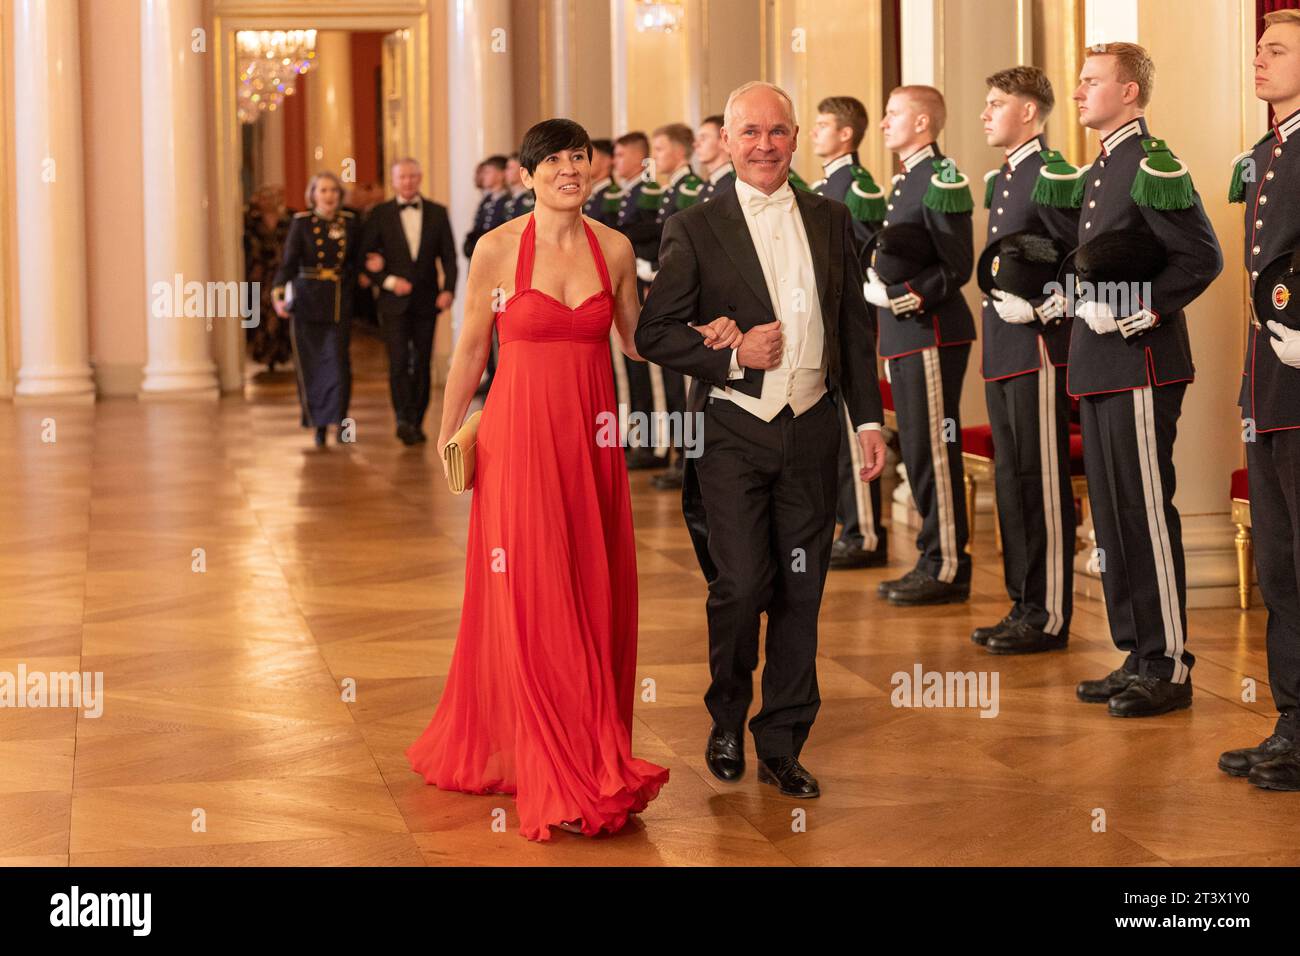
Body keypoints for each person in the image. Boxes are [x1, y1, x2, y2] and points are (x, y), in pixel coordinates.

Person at [407, 119, 733, 840]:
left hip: (591, 444)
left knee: (588, 589)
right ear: (529, 174)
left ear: (591, 170)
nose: (568, 168)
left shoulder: (612, 246)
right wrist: (447, 429)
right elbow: (468, 352)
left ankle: (586, 746)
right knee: (531, 590)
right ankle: (550, 759)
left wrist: (706, 334)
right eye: (553, 159)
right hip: (516, 441)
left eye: (578, 158)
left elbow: (636, 339)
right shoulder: (495, 249)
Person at [637, 81, 886, 799]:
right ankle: (725, 717)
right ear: (726, 142)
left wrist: (867, 420)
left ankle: (782, 742)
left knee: (801, 592)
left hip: (811, 431)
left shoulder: (832, 218)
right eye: (750, 133)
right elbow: (655, 332)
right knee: (742, 586)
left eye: (777, 132)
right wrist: (734, 352)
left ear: (796, 138)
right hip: (732, 432)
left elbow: (852, 330)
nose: (765, 145)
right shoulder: (694, 224)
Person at [1066, 42, 1222, 717]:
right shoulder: (1101, 168)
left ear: (1130, 92)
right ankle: (1136, 652)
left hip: (1140, 361)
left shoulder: (1153, 163)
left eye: (1092, 81)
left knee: (1145, 511)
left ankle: (1171, 663)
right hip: (1100, 362)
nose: (1078, 92)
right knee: (1112, 513)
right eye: (1077, 81)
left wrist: (1135, 309)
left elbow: (1201, 257)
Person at [970, 66, 1081, 655]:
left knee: (1040, 481)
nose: (985, 113)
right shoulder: (1007, 175)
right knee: (1013, 481)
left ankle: (1050, 613)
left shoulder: (1052, 175)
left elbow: (1080, 258)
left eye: (996, 103)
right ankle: (1024, 603)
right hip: (1003, 349)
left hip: (1037, 348)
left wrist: (1045, 311)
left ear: (1030, 112)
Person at [1220, 10, 1300, 787]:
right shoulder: (1265, 152)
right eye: (1257, 49)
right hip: (1268, 379)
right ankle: (1291, 723)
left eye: (1276, 51)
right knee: (1279, 565)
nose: (1259, 60)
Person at [866, 85, 976, 605]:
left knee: (933, 449)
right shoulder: (908, 178)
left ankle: (947, 564)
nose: (884, 123)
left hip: (930, 329)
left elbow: (956, 266)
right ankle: (932, 557)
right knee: (915, 450)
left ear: (923, 123)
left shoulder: (941, 177)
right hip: (905, 338)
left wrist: (897, 298)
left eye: (894, 114)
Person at [810, 95, 890, 570]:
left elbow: (859, 261)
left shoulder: (856, 186)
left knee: (851, 426)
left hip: (846, 320)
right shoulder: (826, 183)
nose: (815, 133)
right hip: (820, 320)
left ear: (845, 134)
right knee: (834, 433)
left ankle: (864, 532)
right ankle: (850, 523)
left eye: (822, 126)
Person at [361, 158, 458, 446]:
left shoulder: (438, 213)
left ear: (420, 178)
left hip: (427, 300)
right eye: (402, 177)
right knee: (399, 361)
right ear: (393, 181)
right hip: (393, 302)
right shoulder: (379, 214)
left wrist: (449, 289)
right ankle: (402, 419)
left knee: (423, 362)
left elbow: (449, 257)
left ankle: (417, 418)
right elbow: (364, 259)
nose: (407, 182)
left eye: (412, 176)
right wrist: (389, 281)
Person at [637, 123, 705, 491]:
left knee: (682, 388)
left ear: (680, 152)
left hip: (683, 301)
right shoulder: (672, 189)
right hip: (665, 292)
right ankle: (679, 454)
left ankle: (686, 459)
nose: (655, 156)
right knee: (672, 387)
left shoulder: (691, 189)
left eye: (660, 149)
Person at [272, 171, 359, 447]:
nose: (329, 196)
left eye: (333, 190)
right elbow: (288, 262)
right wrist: (278, 293)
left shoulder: (350, 222)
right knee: (311, 364)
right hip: (307, 300)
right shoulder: (301, 223)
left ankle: (341, 418)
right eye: (323, 191)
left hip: (337, 299)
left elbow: (357, 259)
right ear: (313, 195)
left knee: (338, 362)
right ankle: (318, 424)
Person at [613, 131, 661, 469]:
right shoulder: (631, 193)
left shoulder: (649, 190)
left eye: (620, 155)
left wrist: (648, 268)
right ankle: (634, 437)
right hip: (634, 281)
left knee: (650, 374)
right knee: (631, 373)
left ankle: (653, 443)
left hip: (648, 284)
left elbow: (655, 234)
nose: (616, 162)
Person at [244, 185, 292, 371]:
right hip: (259, 274)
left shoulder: (289, 220)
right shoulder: (251, 222)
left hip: (282, 272)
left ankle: (282, 354)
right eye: (264, 197)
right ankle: (262, 353)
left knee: (282, 310)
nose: (269, 201)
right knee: (260, 312)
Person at [695, 114, 736, 203]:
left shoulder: (735, 184)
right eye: (697, 139)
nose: (696, 144)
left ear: (723, 141)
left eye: (703, 138)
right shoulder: (706, 187)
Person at [582, 138, 621, 226]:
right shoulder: (588, 192)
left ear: (607, 161)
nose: (585, 162)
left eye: (591, 156)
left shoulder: (613, 194)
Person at [500, 153, 536, 221]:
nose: (505, 172)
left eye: (510, 168)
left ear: (522, 171)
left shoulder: (531, 199)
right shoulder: (508, 199)